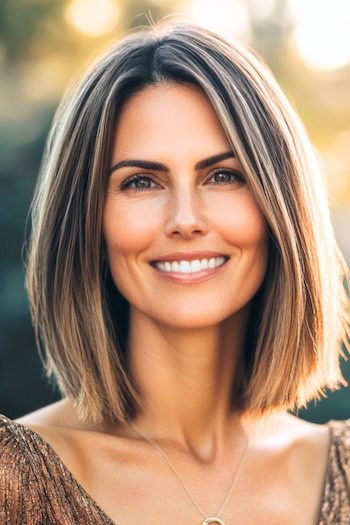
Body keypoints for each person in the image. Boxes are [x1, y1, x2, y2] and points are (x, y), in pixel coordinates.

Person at [0, 19, 349, 525]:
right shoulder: (11, 485)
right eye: (142, 182)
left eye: (224, 176)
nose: (185, 219)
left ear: (283, 207)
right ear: (88, 221)